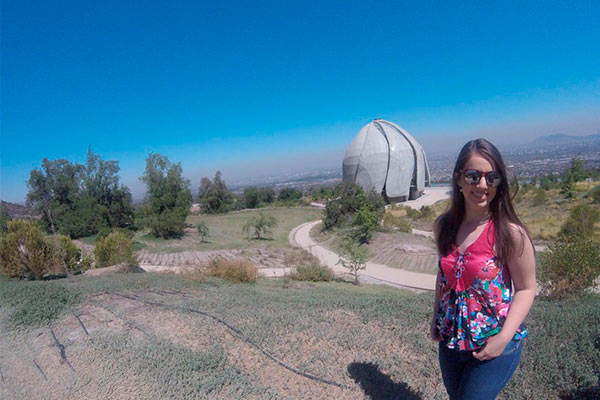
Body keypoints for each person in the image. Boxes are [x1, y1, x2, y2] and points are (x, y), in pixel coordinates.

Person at [430, 138, 536, 400]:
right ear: (458, 179)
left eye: (492, 178)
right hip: (451, 339)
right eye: (473, 176)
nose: (482, 185)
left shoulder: (510, 233)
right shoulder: (445, 226)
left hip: (495, 342)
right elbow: (444, 276)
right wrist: (435, 316)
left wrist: (503, 338)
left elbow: (526, 288)